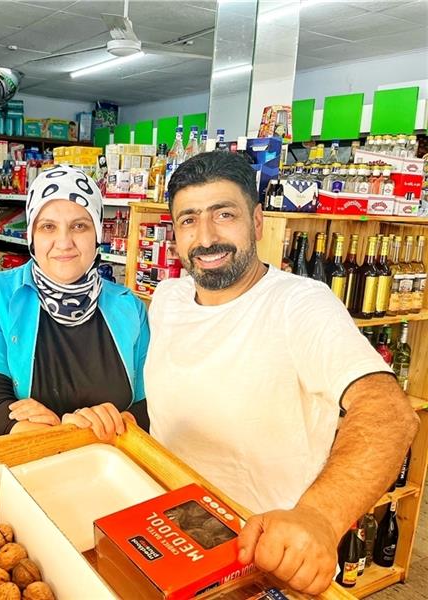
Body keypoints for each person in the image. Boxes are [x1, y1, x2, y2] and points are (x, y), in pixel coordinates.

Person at [145, 151, 418, 594]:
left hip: (264, 563)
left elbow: (389, 413)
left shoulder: (300, 304)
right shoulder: (168, 298)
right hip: (172, 539)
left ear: (257, 222)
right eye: (189, 220)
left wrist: (319, 518)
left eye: (224, 214)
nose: (206, 236)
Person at [0, 165, 149, 441]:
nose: (64, 242)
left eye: (79, 226)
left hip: (107, 466)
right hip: (17, 464)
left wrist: (118, 421)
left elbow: (152, 402)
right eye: (48, 227)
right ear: (31, 235)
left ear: (98, 235)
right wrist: (55, 434)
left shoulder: (129, 307)